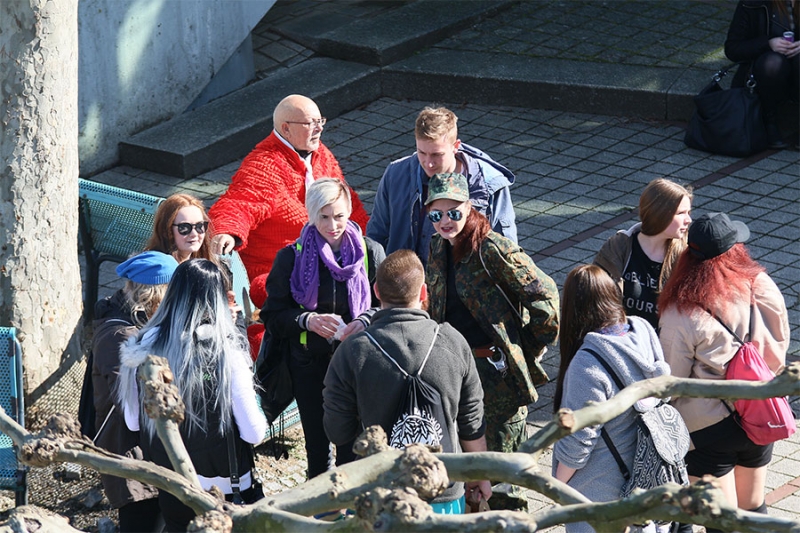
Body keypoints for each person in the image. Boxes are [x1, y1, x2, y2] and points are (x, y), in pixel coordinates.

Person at [423, 172, 559, 510]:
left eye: (453, 212)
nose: (445, 221)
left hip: (494, 377)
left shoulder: (491, 248)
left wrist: (525, 348)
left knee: (503, 481)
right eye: (436, 214)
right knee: (465, 473)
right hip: (453, 372)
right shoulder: (437, 248)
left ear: (469, 208)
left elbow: (546, 297)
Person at [323, 249, 491, 514]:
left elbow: (338, 432)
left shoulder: (353, 351)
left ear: (376, 291)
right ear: (424, 292)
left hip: (380, 497)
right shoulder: (454, 342)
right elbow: (472, 423)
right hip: (444, 492)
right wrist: (480, 476)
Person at [658, 213, 790, 530]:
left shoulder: (682, 310)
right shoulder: (761, 283)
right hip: (761, 411)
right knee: (754, 510)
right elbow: (780, 342)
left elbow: (671, 380)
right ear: (736, 250)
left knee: (721, 523)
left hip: (709, 430)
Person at [117, 259, 267, 532]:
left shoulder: (142, 346)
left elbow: (133, 422)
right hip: (224, 486)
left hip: (171, 479)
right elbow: (253, 433)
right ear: (218, 299)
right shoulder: (226, 353)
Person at [261, 178, 385, 480]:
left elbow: (388, 305)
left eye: (340, 216)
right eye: (324, 217)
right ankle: (319, 514)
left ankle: (349, 514)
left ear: (350, 213)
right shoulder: (291, 257)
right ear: (311, 215)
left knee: (351, 447)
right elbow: (272, 315)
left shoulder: (369, 252)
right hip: (308, 365)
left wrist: (365, 320)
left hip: (356, 364)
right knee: (317, 448)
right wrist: (307, 321)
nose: (333, 225)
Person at [553, 264, 670, 533]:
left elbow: (577, 444)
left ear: (573, 309)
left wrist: (557, 490)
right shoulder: (642, 329)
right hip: (649, 482)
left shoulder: (587, 364)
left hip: (601, 499)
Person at [209, 94, 370, 281]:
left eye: (321, 121)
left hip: (325, 262)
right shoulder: (264, 166)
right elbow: (239, 203)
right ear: (286, 129)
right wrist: (227, 231)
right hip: (279, 273)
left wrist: (368, 239)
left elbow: (348, 202)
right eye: (311, 123)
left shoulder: (321, 154)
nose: (319, 128)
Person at [92, 251, 178, 533]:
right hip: (131, 458)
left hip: (151, 453)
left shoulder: (146, 326)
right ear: (158, 295)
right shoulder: (120, 336)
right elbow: (132, 414)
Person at [367, 105, 517, 266]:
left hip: (463, 285)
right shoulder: (396, 174)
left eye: (437, 155)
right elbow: (377, 235)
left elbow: (507, 250)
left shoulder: (489, 184)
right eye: (421, 153)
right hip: (407, 285)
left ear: (456, 146)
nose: (428, 163)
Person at [594, 178, 693, 330]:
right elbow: (598, 299)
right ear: (660, 214)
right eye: (681, 213)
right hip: (621, 341)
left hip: (661, 349)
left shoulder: (685, 256)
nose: (688, 219)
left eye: (689, 212)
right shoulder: (619, 246)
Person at [725, 0, 800, 149]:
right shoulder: (753, 2)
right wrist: (768, 43)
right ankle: (768, 120)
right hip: (766, 76)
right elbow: (732, 48)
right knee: (773, 63)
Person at [145, 193, 215, 263]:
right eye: (184, 228)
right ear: (166, 231)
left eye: (199, 226)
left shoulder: (205, 263)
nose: (194, 234)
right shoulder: (162, 269)